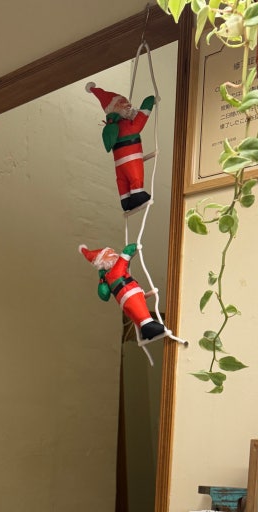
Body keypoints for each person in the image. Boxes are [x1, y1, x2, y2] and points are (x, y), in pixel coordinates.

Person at [86, 83, 155, 212]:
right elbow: (139, 122)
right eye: (122, 102)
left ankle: (125, 199)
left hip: (119, 163)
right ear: (113, 108)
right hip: (131, 158)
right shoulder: (125, 125)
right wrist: (148, 103)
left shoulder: (112, 127)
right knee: (135, 176)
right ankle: (137, 193)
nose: (128, 104)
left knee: (122, 179)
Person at [79, 243, 167, 341]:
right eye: (109, 253)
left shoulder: (107, 278)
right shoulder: (115, 271)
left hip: (125, 301)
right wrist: (133, 247)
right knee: (141, 313)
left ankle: (145, 330)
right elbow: (125, 256)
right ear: (103, 260)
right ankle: (148, 326)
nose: (113, 253)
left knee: (136, 315)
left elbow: (104, 294)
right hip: (130, 294)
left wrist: (102, 279)